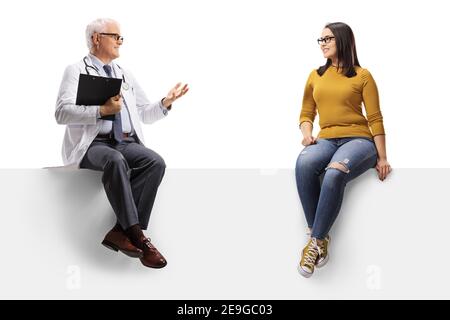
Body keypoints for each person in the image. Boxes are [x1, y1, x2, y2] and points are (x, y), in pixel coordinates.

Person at [55, 18, 188, 269]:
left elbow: (144, 114)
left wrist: (165, 102)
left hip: (124, 141)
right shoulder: (75, 71)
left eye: (120, 37)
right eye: (115, 36)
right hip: (93, 145)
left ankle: (120, 230)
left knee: (155, 161)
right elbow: (61, 113)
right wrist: (101, 110)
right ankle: (138, 236)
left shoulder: (123, 74)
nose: (119, 42)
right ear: (96, 38)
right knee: (115, 160)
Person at [295, 22, 391, 278]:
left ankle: (314, 243)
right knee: (304, 163)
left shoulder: (362, 75)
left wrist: (382, 157)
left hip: (359, 140)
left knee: (335, 172)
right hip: (325, 139)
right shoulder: (315, 75)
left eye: (328, 38)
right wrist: (307, 134)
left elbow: (375, 117)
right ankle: (320, 238)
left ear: (343, 41)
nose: (322, 43)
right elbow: (306, 112)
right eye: (320, 39)